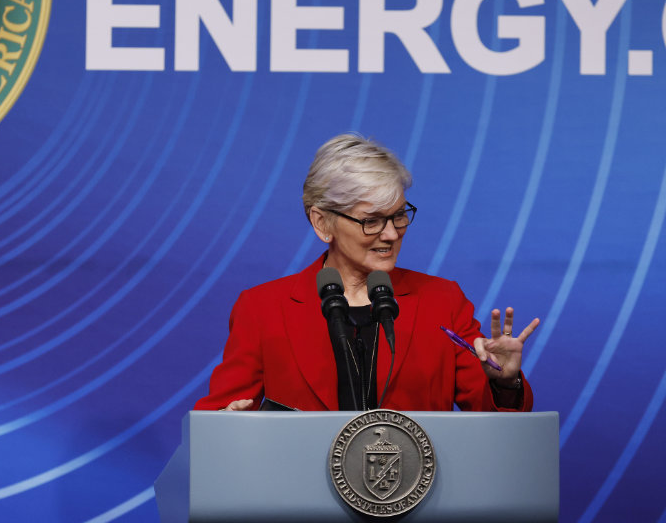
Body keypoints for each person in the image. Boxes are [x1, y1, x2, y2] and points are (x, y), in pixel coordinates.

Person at [194, 134, 539, 412]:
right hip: (301, 496)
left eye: (399, 215)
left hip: (416, 495)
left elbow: (492, 423)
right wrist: (227, 424)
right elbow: (222, 414)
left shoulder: (442, 301)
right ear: (321, 222)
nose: (390, 234)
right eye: (371, 220)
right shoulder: (263, 308)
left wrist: (504, 383)